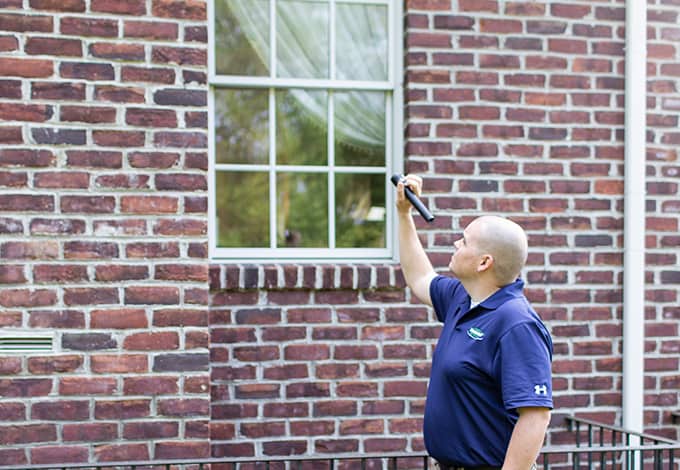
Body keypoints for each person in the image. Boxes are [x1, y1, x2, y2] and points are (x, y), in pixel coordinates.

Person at [395, 174, 553, 470]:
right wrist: (403, 214)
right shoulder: (462, 297)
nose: (456, 243)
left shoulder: (516, 323)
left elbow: (535, 417)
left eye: (464, 241)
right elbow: (419, 278)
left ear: (484, 262)